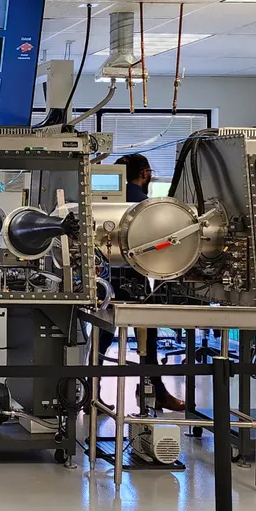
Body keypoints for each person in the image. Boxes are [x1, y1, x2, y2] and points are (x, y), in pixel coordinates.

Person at [98, 154, 185, 412]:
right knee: (147, 336)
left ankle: (91, 393)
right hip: (133, 278)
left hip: (103, 277)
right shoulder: (145, 205)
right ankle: (154, 390)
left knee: (102, 335)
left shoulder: (106, 199)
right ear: (145, 173)